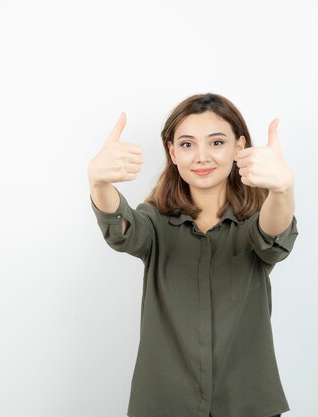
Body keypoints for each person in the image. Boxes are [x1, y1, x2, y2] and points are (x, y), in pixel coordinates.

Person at [87, 93, 298, 417]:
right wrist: (99, 182)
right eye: (187, 144)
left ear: (239, 147)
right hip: (164, 403)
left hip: (249, 403)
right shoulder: (154, 221)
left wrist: (283, 189)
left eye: (216, 143)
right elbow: (123, 227)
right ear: (172, 151)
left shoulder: (255, 222)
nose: (202, 156)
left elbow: (273, 232)